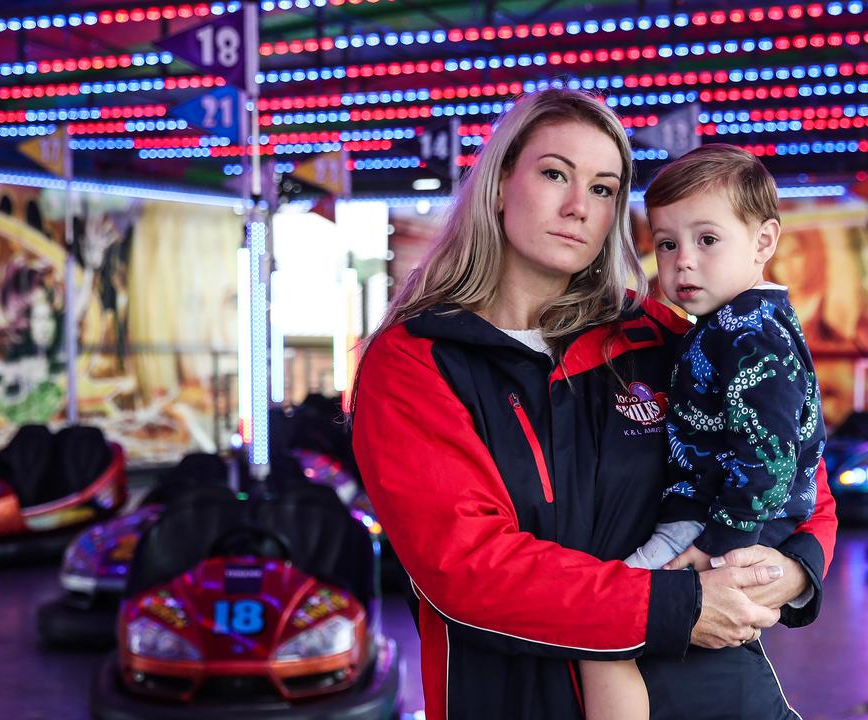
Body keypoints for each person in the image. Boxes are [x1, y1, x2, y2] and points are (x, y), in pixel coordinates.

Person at [350, 88, 837, 720]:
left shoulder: (662, 335)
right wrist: (676, 607)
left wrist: (793, 573)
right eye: (555, 174)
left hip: (719, 694)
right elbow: (467, 566)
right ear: (499, 183)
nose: (578, 207)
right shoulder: (416, 361)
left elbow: (804, 481)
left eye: (604, 189)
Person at [580, 145, 827, 720]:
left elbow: (768, 456)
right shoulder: (724, 326)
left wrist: (714, 545)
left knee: (605, 627)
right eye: (667, 244)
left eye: (707, 240)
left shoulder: (748, 331)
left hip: (714, 520)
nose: (683, 261)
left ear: (764, 243)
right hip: (718, 516)